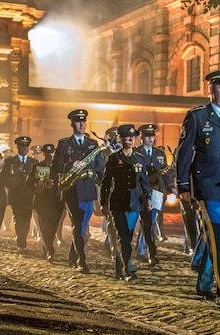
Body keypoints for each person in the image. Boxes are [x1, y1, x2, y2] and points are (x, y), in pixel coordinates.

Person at [175, 67, 220, 308]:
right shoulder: (197, 116)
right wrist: (182, 184)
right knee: (217, 235)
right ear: (211, 89)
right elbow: (184, 152)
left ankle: (204, 282)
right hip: (207, 186)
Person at [53, 109, 105, 273]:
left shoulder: (93, 145)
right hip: (71, 191)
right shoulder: (64, 144)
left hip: (88, 191)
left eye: (83, 121)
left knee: (81, 226)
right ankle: (81, 260)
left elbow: (100, 168)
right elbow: (55, 166)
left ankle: (72, 255)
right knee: (78, 224)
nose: (82, 125)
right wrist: (70, 165)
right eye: (78, 122)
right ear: (72, 124)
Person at [99, 124, 152, 280]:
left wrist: (148, 198)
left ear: (135, 139)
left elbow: (144, 182)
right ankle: (128, 268)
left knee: (127, 236)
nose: (128, 139)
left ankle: (119, 267)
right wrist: (103, 202)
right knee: (123, 236)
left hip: (135, 203)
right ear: (120, 139)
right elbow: (106, 182)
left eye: (131, 137)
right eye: (125, 137)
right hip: (118, 202)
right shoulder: (114, 159)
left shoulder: (139, 159)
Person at [135, 124, 172, 265]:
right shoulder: (136, 153)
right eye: (147, 136)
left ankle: (145, 250)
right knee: (145, 222)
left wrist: (171, 187)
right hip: (141, 191)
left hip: (156, 192)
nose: (150, 139)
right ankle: (144, 250)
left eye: (152, 136)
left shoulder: (159, 154)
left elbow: (166, 172)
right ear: (142, 137)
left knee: (150, 222)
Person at [0, 135, 39, 250]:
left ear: (28, 148)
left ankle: (23, 236)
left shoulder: (34, 162)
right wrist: (12, 184)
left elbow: (40, 179)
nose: (23, 148)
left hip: (29, 196)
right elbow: (2, 178)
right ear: (17, 147)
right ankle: (20, 239)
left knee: (26, 219)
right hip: (16, 196)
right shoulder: (10, 161)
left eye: (26, 146)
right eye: (21, 146)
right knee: (18, 217)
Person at [32, 143, 62, 261]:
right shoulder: (38, 166)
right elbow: (30, 182)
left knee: (53, 227)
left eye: (51, 153)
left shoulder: (58, 167)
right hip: (42, 202)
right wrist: (36, 186)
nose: (49, 155)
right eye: (47, 153)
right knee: (44, 227)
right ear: (43, 154)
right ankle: (50, 249)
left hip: (56, 203)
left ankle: (47, 246)